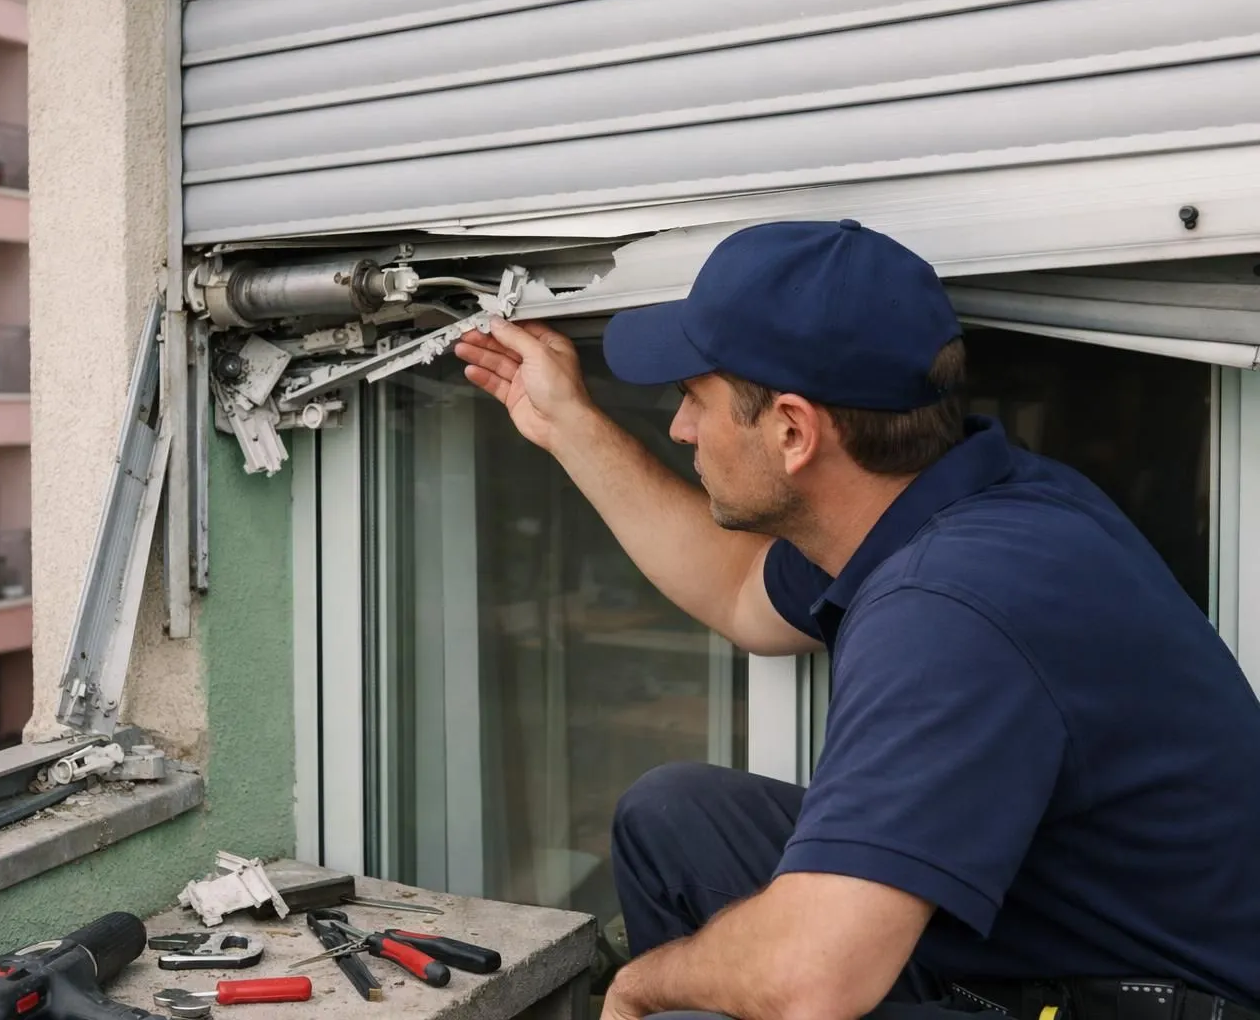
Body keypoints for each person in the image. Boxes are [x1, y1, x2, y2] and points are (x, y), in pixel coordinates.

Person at [453, 220, 1260, 1020]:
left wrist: (640, 982)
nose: (679, 428)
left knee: (704, 1012)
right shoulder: (960, 499)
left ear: (795, 431)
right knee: (677, 819)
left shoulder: (950, 606)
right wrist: (565, 423)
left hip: (1144, 1003)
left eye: (695, 399)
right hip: (1035, 942)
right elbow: (741, 592)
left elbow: (813, 980)